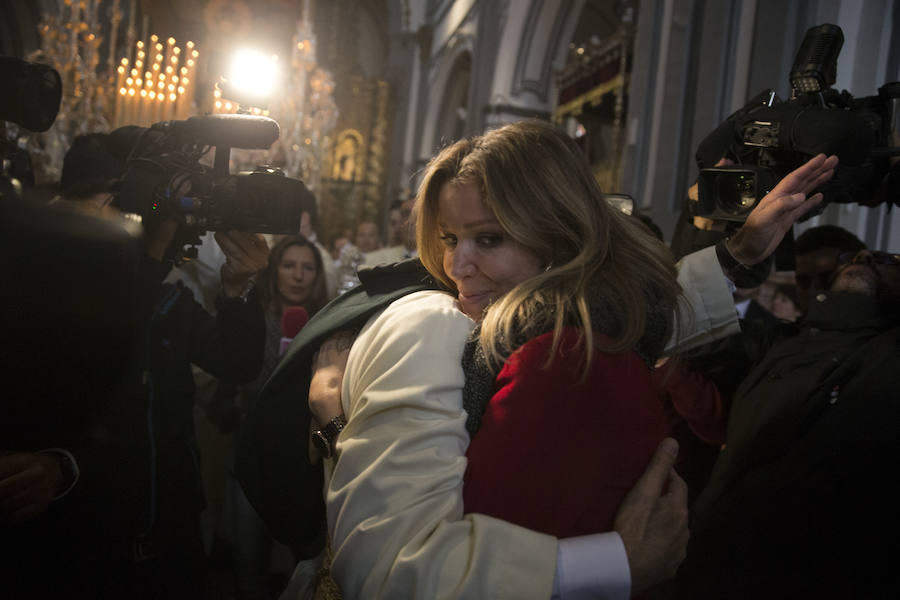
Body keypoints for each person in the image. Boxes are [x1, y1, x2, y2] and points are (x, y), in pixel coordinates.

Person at [302, 121, 837, 598]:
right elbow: (385, 572)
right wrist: (619, 561)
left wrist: (738, 254)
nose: (457, 264)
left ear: (558, 240)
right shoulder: (433, 323)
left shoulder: (540, 325)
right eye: (448, 237)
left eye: (487, 238)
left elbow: (625, 314)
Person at [0, 131, 269, 599]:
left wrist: (239, 286)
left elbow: (237, 361)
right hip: (75, 551)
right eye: (126, 208)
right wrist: (62, 466)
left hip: (170, 541)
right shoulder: (32, 298)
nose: (140, 223)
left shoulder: (168, 295)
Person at [676, 247, 900, 599]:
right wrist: (730, 241)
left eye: (887, 260)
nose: (863, 260)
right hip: (715, 564)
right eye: (850, 257)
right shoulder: (777, 342)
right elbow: (682, 324)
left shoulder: (887, 355)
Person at [210, 236, 328, 600]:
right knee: (248, 566)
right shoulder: (253, 320)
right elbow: (236, 380)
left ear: (317, 275)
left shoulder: (329, 325)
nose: (297, 275)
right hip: (253, 454)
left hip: (306, 465)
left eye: (307, 267)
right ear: (274, 270)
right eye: (289, 265)